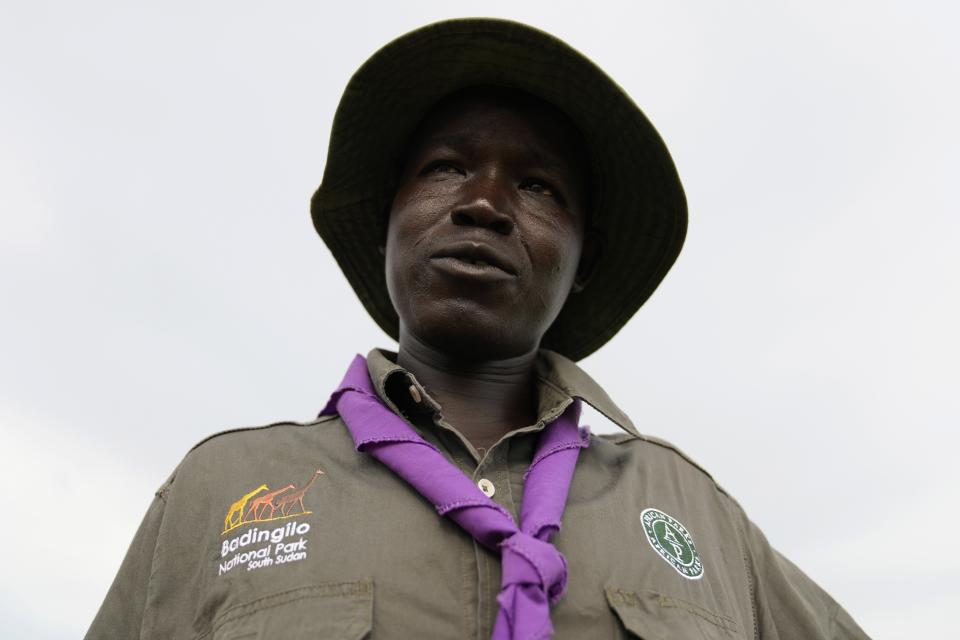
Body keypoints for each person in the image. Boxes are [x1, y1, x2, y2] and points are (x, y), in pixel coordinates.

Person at [86, 18, 869, 639]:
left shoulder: (693, 511)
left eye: (538, 186)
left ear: (583, 261)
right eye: (446, 168)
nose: (485, 203)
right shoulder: (224, 489)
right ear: (390, 219)